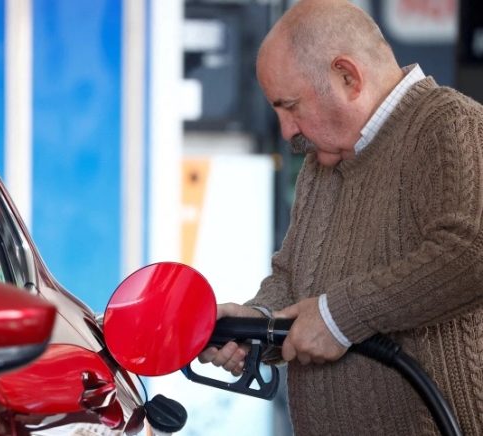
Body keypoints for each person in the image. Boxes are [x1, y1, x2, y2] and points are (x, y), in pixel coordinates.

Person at [198, 0, 483, 434]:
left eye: (290, 106)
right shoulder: (323, 162)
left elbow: (470, 252)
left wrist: (340, 316)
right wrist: (257, 321)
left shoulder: (451, 123)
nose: (287, 131)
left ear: (347, 77)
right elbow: (294, 278)